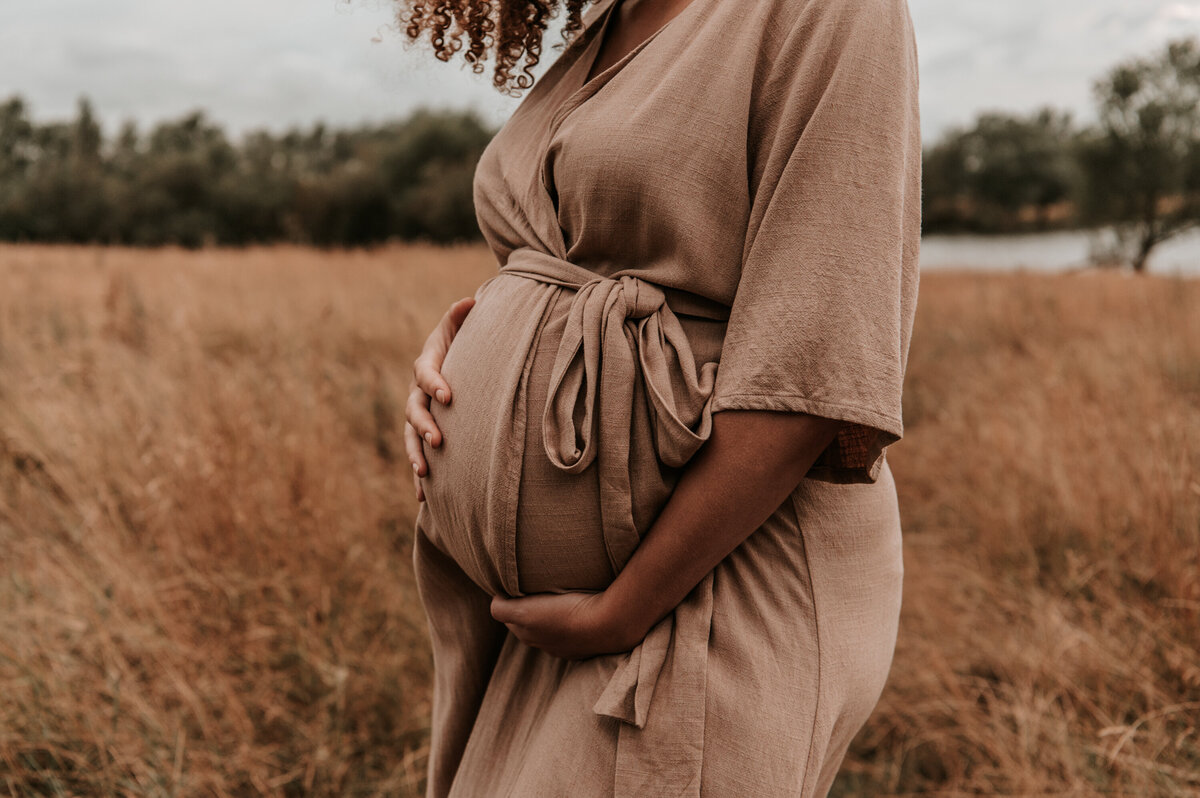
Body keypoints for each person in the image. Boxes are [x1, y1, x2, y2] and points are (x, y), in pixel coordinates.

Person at [400, 0, 921, 794]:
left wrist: (624, 609)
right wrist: (471, 341)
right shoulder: (614, 16)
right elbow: (577, 262)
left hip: (709, 581)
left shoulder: (830, 11)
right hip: (568, 609)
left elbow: (813, 362)